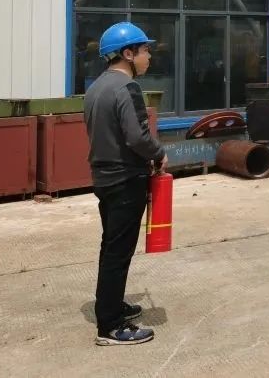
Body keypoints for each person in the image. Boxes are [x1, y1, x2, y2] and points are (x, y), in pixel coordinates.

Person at [85, 22, 166, 346]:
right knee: (118, 252)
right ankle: (110, 326)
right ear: (128, 54)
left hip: (104, 179)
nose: (149, 56)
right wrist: (159, 153)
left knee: (111, 246)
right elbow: (137, 137)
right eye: (145, 50)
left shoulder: (95, 88)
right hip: (125, 180)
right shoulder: (127, 88)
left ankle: (111, 304)